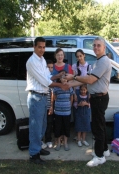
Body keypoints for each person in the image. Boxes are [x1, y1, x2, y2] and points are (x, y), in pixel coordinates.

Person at [64, 36, 112, 167]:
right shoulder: (98, 61)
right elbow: (86, 79)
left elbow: (90, 80)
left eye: (98, 45)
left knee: (97, 128)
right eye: (94, 45)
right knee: (100, 125)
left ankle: (99, 156)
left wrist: (73, 76)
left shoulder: (103, 61)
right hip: (98, 97)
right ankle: (105, 150)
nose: (96, 47)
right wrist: (70, 84)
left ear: (104, 47)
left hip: (99, 98)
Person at [26, 37, 67, 165]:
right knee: (36, 127)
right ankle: (34, 155)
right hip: (36, 97)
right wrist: (61, 85)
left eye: (44, 47)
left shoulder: (42, 59)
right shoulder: (32, 61)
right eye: (40, 47)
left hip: (43, 97)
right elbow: (45, 82)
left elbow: (48, 76)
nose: (42, 49)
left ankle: (38, 148)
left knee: (43, 125)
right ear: (34, 47)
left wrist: (58, 76)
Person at [72, 49, 91, 142]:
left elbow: (90, 81)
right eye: (77, 56)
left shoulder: (89, 67)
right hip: (78, 92)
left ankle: (83, 137)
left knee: (85, 114)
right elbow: (73, 80)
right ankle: (78, 136)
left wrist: (89, 93)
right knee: (77, 114)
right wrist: (74, 93)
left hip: (86, 91)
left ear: (84, 55)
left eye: (81, 56)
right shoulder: (75, 66)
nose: (79, 58)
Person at [53, 70, 74, 151]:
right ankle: (58, 143)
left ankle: (65, 143)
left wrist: (70, 104)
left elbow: (71, 97)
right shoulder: (56, 87)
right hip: (58, 111)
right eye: (62, 78)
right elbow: (54, 97)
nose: (64, 79)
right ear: (59, 79)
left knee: (66, 127)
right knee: (58, 127)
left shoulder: (69, 87)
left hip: (67, 111)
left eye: (66, 77)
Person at [44, 60, 54, 148]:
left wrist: (51, 106)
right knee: (41, 123)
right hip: (41, 105)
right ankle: (41, 140)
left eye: (52, 67)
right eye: (48, 67)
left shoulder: (52, 79)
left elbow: (52, 94)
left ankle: (48, 139)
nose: (50, 69)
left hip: (48, 106)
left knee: (49, 123)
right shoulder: (43, 77)